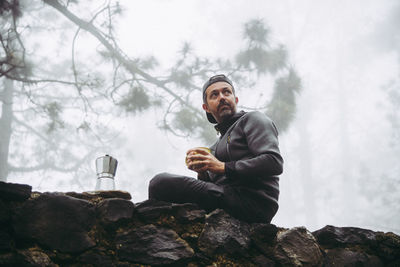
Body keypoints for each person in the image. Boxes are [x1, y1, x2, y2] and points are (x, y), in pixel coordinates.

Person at [148, 74, 283, 223]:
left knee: (160, 183)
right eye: (214, 95)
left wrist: (222, 167)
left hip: (255, 203)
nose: (222, 97)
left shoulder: (253, 119)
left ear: (235, 99)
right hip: (227, 199)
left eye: (227, 92)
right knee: (167, 197)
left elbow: (273, 162)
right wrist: (203, 173)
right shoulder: (214, 147)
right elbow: (215, 187)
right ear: (206, 107)